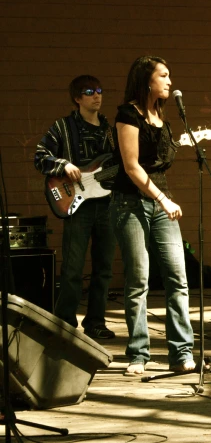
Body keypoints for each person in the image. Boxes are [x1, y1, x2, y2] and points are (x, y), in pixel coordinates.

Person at [110, 56, 194, 376]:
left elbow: (159, 165)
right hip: (130, 203)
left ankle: (181, 353)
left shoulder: (164, 120)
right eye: (164, 75)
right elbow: (132, 167)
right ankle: (138, 353)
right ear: (148, 80)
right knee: (138, 280)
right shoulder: (128, 114)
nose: (170, 81)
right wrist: (163, 199)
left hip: (160, 203)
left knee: (177, 277)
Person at [34, 75, 117, 340]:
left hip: (107, 206)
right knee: (72, 267)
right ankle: (65, 324)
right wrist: (63, 165)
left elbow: (119, 165)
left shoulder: (110, 130)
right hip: (77, 205)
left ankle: (95, 322)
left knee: (104, 268)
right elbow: (40, 156)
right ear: (77, 98)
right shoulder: (63, 127)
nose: (97, 95)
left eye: (99, 91)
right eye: (90, 91)